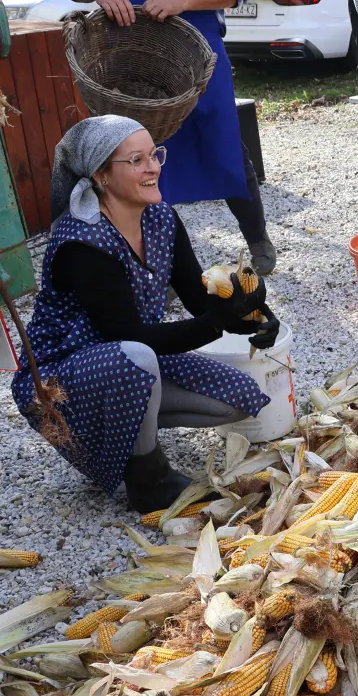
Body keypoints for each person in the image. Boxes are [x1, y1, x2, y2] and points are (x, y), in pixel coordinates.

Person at [12, 117, 274, 513]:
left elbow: (200, 300)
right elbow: (131, 335)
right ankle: (146, 477)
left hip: (130, 362)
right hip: (58, 381)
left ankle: (124, 432)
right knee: (136, 357)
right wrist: (216, 323)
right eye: (136, 160)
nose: (153, 167)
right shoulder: (83, 242)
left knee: (237, 400)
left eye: (155, 155)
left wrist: (249, 316)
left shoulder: (161, 219)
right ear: (101, 174)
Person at [50, 0, 278, 275]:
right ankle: (165, 266)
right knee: (141, 161)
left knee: (226, 146)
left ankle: (257, 238)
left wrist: (184, 0)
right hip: (130, 68)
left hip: (199, 59)